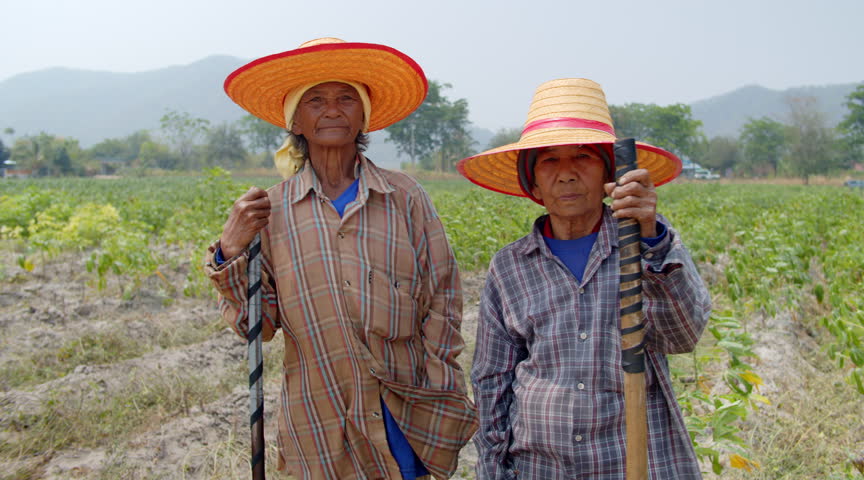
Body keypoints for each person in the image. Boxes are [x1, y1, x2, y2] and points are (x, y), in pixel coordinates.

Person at [205, 38, 478, 480]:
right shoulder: (269, 213)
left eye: (345, 98)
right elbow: (257, 327)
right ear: (295, 119)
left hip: (405, 407)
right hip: (319, 414)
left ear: (363, 114)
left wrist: (438, 376)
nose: (332, 110)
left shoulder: (404, 196)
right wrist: (231, 251)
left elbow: (443, 294)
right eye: (316, 100)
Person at [457, 78, 711, 479]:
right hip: (540, 467)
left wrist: (650, 236)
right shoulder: (510, 267)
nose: (567, 174)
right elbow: (492, 382)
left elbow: (682, 335)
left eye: (583, 158)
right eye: (550, 161)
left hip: (632, 464)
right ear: (533, 183)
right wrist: (494, 469)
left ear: (609, 174)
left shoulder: (644, 246)